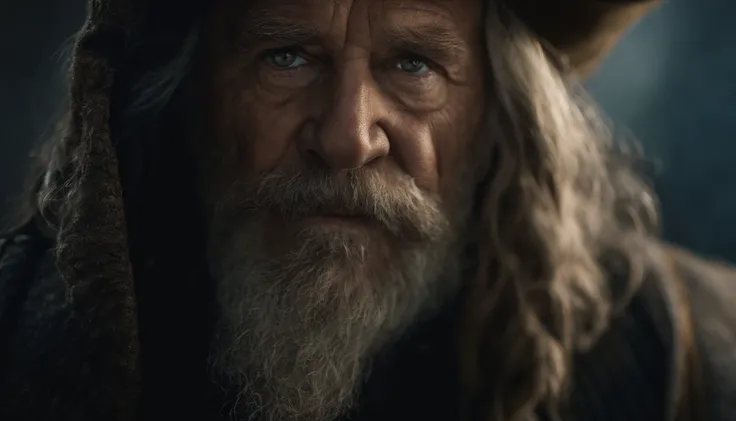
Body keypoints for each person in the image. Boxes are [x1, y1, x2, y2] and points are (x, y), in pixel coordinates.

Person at [0, 0, 734, 420]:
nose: (347, 137)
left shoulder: (700, 368)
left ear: (503, 124)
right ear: (186, 101)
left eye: (413, 65)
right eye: (287, 56)